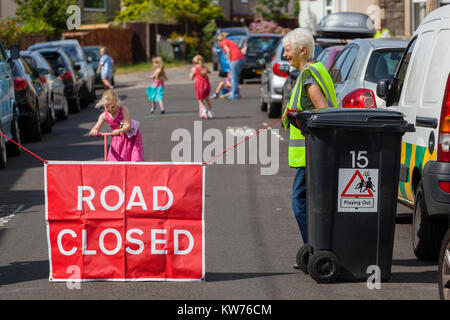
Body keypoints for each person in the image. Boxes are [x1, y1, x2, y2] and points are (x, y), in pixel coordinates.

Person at [280, 28, 338, 269]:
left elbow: (322, 111)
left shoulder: (309, 75)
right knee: (310, 202)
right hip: (314, 153)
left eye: (288, 50)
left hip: (312, 154)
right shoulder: (316, 70)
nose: (285, 55)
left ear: (303, 50)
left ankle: (315, 249)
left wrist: (302, 120)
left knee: (299, 202)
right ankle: (316, 247)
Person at [89, 90, 145, 161]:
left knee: (132, 158)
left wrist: (120, 130)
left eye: (113, 107)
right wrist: (95, 130)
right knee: (115, 159)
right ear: (104, 106)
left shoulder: (123, 110)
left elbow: (127, 125)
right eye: (107, 107)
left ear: (117, 103)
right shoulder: (103, 115)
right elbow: (96, 127)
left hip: (129, 135)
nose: (110, 110)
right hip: (117, 137)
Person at [217, 32, 246, 100]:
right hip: (242, 58)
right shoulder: (229, 41)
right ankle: (235, 94)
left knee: (233, 78)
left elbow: (228, 50)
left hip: (235, 59)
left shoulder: (223, 42)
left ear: (219, 40)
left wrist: (230, 61)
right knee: (235, 77)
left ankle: (233, 95)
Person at [190, 54, 213, 119]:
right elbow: (209, 72)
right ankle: (210, 110)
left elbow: (191, 78)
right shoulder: (205, 67)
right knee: (207, 98)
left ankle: (204, 109)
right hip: (206, 84)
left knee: (200, 99)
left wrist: (191, 74)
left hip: (198, 85)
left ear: (194, 62)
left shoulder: (194, 68)